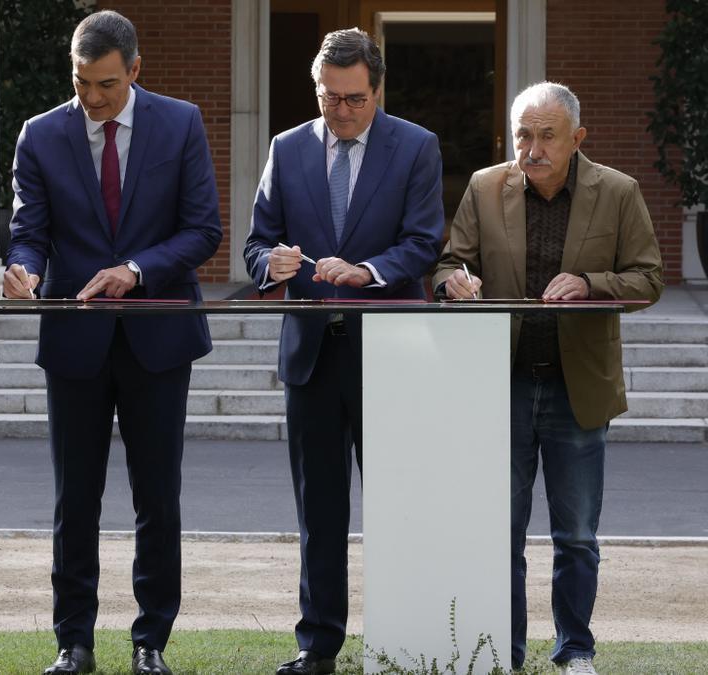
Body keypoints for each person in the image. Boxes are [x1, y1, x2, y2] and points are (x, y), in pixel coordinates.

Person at [3, 10, 222, 675]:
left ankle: (150, 639)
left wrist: (137, 268)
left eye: (105, 85)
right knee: (76, 499)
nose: (92, 99)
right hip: (75, 338)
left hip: (159, 337)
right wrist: (26, 269)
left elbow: (203, 229)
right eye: (80, 84)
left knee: (158, 497)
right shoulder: (41, 134)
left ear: (134, 69)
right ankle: (74, 642)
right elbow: (28, 229)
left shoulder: (181, 122)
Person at [433, 81, 663, 675]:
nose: (532, 148)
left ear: (577, 138)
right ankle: (503, 656)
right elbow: (450, 260)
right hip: (500, 384)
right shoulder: (485, 188)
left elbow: (647, 279)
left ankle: (574, 651)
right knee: (499, 535)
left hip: (576, 388)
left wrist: (591, 283)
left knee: (578, 536)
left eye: (546, 136)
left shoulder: (618, 192)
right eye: (522, 136)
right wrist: (452, 282)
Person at [243, 28, 445, 675]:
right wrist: (268, 262)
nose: (342, 111)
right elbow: (255, 246)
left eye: (355, 98)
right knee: (319, 515)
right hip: (310, 357)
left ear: (377, 90)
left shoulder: (416, 147)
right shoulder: (286, 148)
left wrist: (367, 270)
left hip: (389, 351)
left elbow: (423, 242)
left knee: (395, 508)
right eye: (330, 97)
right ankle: (317, 645)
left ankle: (401, 640)